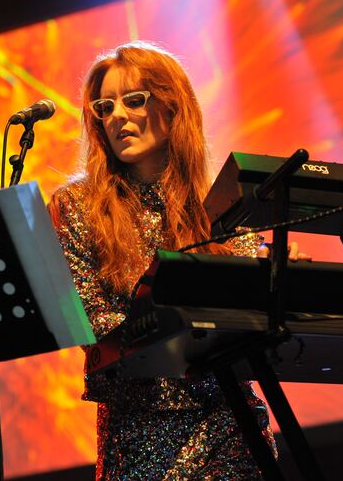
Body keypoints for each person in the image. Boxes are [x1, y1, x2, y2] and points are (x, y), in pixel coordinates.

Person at [49, 41, 305, 479]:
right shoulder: (76, 205)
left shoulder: (216, 205)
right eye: (104, 107)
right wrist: (184, 328)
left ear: (172, 105)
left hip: (228, 420)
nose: (117, 117)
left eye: (133, 100)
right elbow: (88, 318)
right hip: (137, 426)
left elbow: (251, 298)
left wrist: (275, 268)